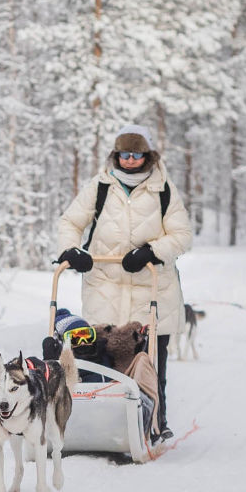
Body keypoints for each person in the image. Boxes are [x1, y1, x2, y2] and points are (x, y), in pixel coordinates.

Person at [55, 124, 193, 442]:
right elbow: (70, 221)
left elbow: (181, 234)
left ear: (148, 156)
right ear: (116, 156)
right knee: (102, 358)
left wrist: (153, 251)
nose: (130, 160)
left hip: (152, 288)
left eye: (136, 155)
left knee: (149, 360)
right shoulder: (101, 186)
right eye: (124, 154)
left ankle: (155, 422)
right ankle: (104, 425)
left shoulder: (164, 190)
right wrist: (72, 251)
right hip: (105, 285)